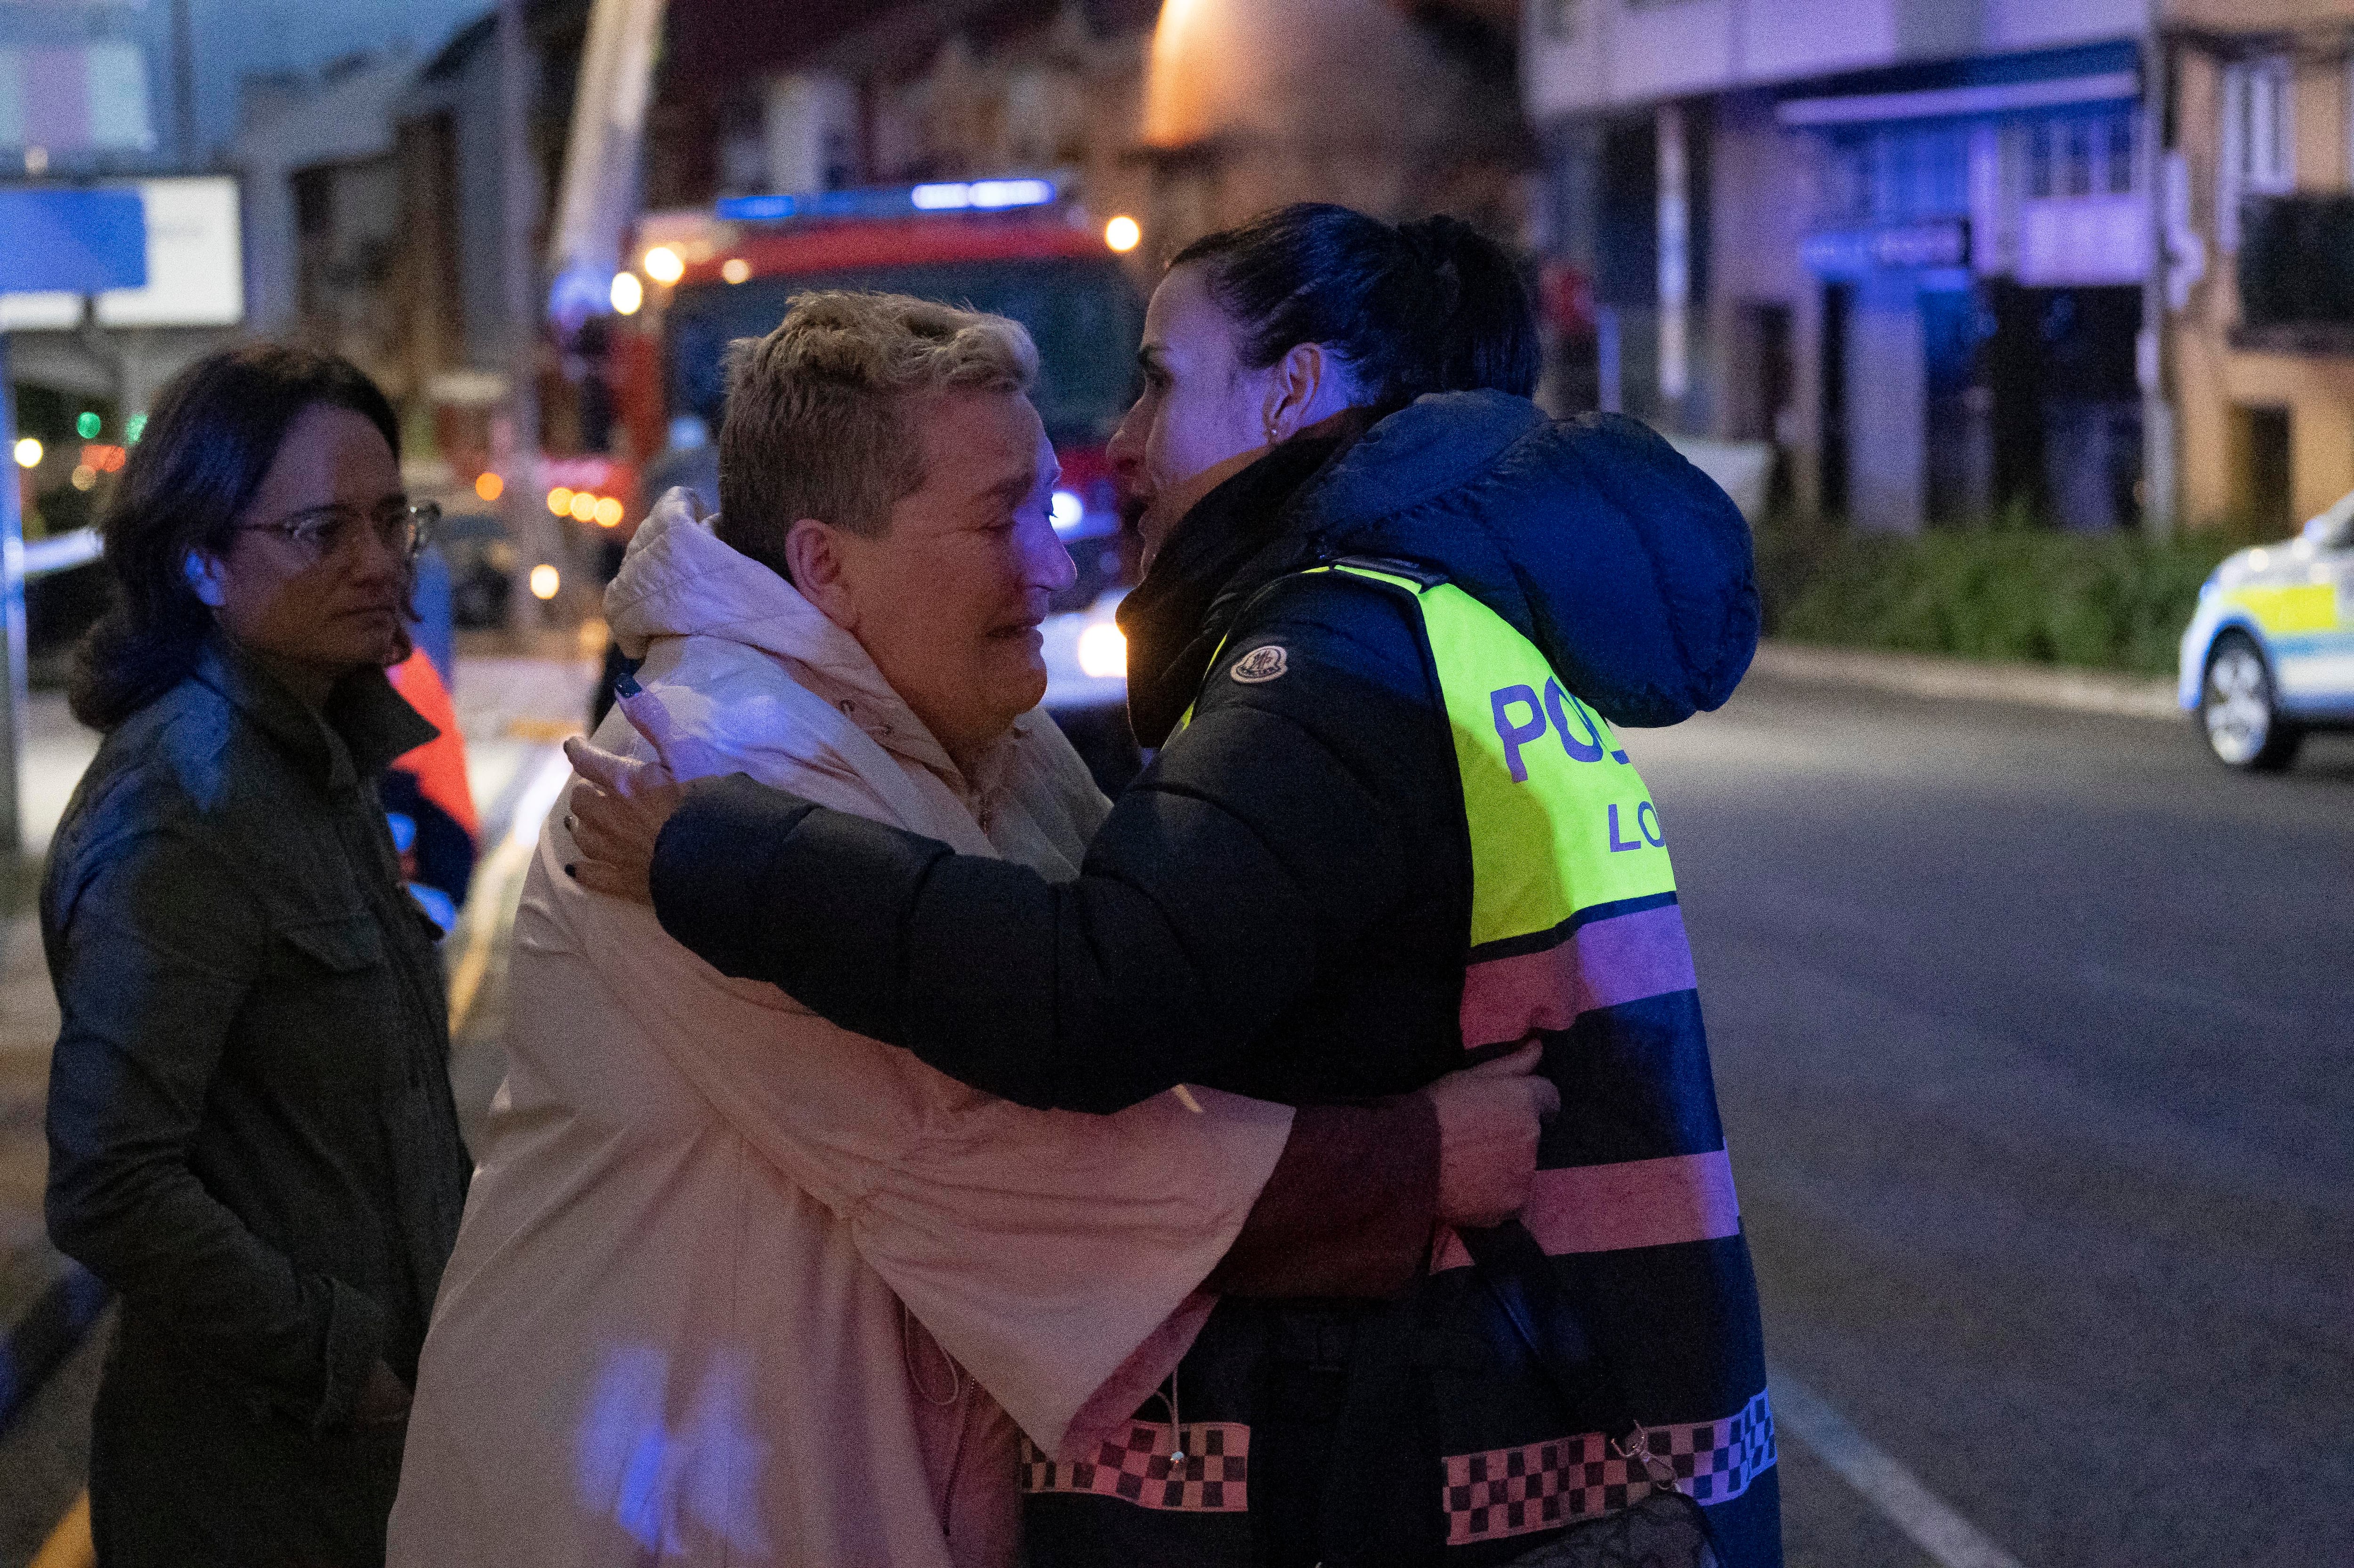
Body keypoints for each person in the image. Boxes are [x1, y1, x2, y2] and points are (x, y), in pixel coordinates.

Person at [569, 204, 1781, 1566]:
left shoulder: (1330, 654)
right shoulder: (1434, 623)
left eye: (1158, 374)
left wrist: (713, 848)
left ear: (1294, 389)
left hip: (1481, 1437)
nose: (1129, 438)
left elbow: (1091, 993)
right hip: (1556, 1415)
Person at [390, 291, 1556, 1568]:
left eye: (1045, 509)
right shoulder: (703, 770)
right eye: (1003, 518)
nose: (1052, 565)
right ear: (827, 562)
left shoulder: (982, 734)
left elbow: (1121, 984)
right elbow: (984, 1149)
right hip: (644, 1506)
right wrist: (1411, 1163)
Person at [42, 344, 471, 1567]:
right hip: (250, 1492)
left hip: (366, 1477)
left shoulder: (316, 758)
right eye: (323, 530)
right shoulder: (186, 802)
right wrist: (346, 1360)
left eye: (393, 519)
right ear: (201, 557)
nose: (381, 561)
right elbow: (109, 1180)